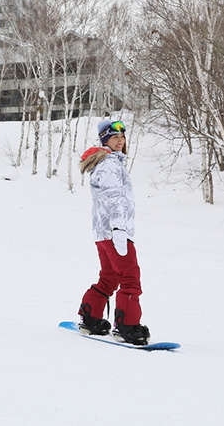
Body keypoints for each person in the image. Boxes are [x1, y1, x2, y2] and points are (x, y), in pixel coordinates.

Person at [76, 120, 150, 346]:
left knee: (110, 276)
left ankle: (91, 317)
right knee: (130, 278)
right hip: (114, 231)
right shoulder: (109, 165)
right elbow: (113, 199)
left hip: (103, 232)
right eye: (115, 137)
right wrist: (119, 228)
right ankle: (127, 326)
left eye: (123, 137)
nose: (120, 141)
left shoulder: (107, 163)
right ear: (105, 139)